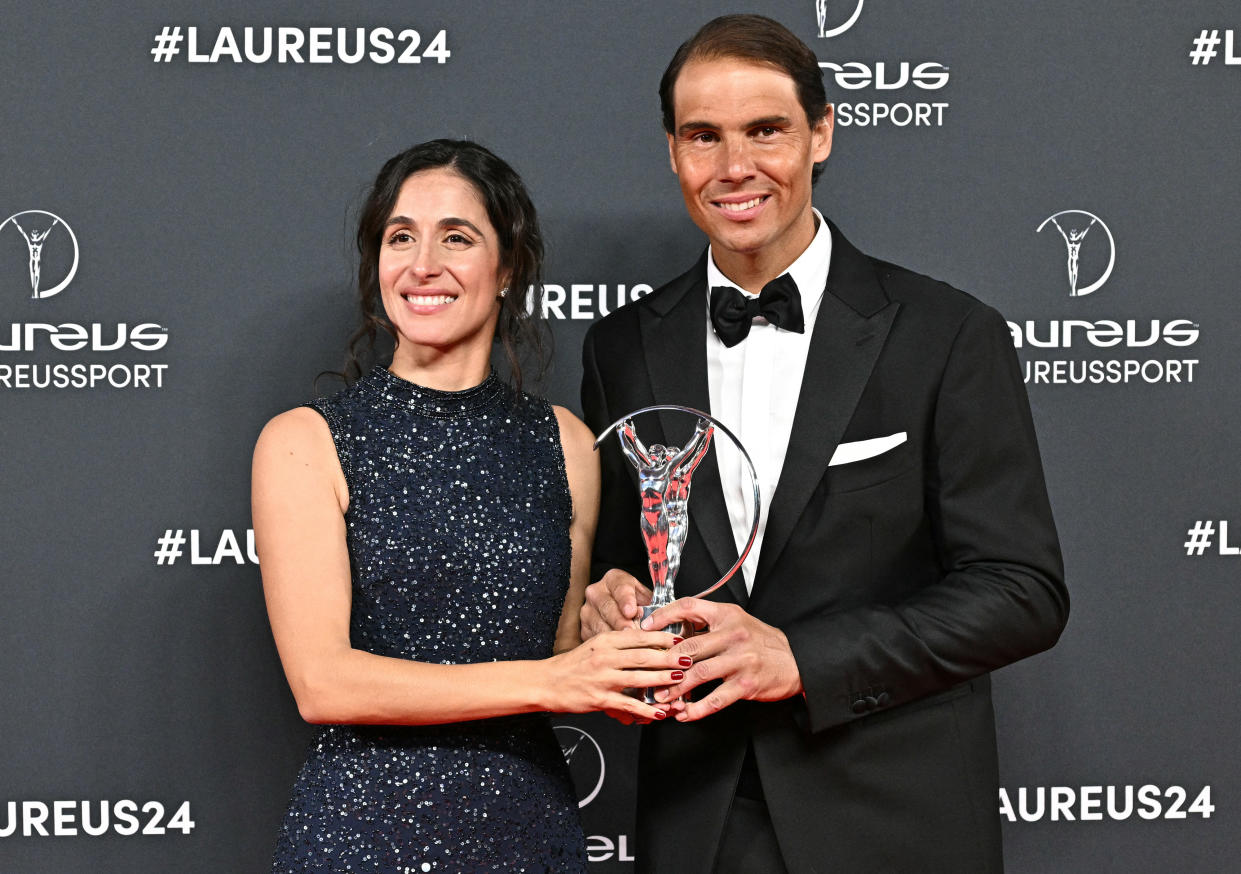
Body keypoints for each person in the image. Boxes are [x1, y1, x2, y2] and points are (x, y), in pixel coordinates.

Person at [579, 15, 1069, 874]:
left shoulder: (947, 334)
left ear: (821, 133)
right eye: (704, 136)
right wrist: (607, 603)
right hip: (698, 821)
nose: (734, 167)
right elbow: (628, 561)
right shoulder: (620, 346)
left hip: (893, 818)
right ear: (672, 153)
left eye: (764, 130)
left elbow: (1020, 590)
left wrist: (798, 658)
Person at [253, 139, 681, 873]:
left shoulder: (567, 443)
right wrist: (555, 679)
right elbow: (323, 683)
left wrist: (614, 638)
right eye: (400, 237)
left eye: (457, 236)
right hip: (363, 837)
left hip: (529, 831)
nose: (423, 264)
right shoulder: (306, 441)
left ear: (507, 267)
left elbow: (558, 656)